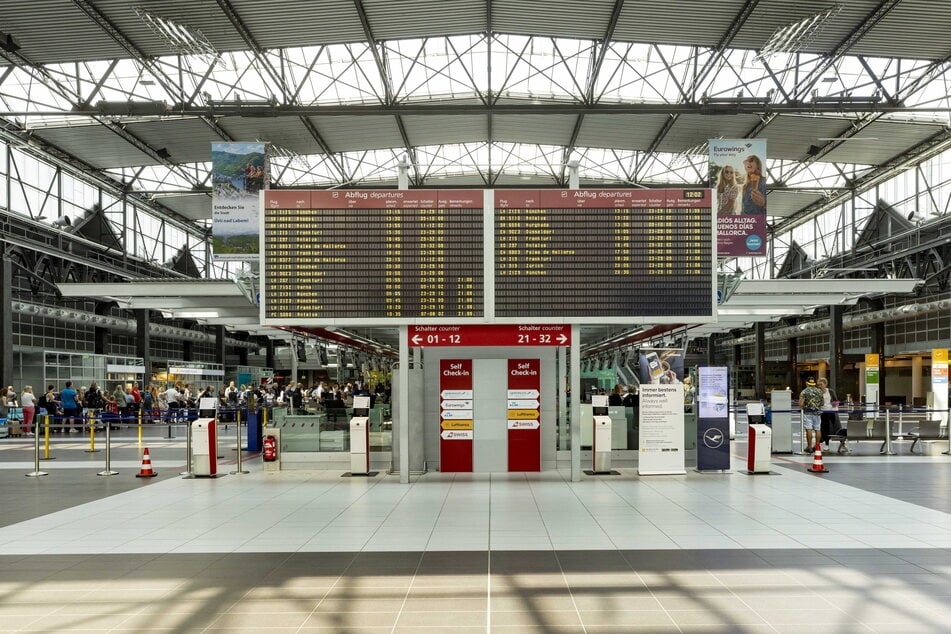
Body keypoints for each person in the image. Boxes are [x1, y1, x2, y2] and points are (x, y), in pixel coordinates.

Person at [799, 378, 823, 452]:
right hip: (817, 413)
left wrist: (804, 406)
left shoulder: (804, 392)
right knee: (817, 429)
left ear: (807, 383)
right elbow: (822, 403)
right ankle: (817, 446)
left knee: (809, 429)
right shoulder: (819, 391)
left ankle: (809, 447)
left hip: (808, 413)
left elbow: (801, 404)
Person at [817, 377, 838, 448]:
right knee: (824, 428)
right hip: (822, 413)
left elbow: (835, 401)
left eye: (821, 384)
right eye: (818, 385)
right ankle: (826, 443)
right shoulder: (817, 392)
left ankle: (842, 442)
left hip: (831, 412)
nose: (819, 386)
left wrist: (834, 405)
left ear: (825, 384)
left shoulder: (831, 391)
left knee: (835, 427)